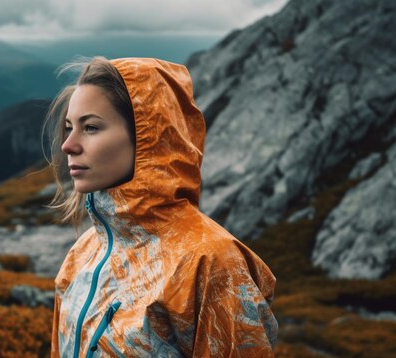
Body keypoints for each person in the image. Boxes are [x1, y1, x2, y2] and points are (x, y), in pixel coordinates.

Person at [45, 57, 278, 357]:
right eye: (68, 127)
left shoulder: (211, 263)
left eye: (90, 127)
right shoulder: (82, 255)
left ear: (148, 137)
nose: (68, 144)